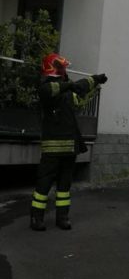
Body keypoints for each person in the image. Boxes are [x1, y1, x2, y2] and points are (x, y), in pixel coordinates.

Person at [30, 53, 108, 231]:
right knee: (44, 184)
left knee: (64, 186)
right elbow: (52, 90)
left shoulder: (66, 91)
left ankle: (62, 217)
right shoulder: (46, 87)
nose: (64, 71)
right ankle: (36, 218)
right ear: (53, 68)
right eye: (62, 68)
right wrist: (73, 84)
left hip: (69, 148)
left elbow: (79, 97)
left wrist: (95, 81)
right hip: (52, 149)